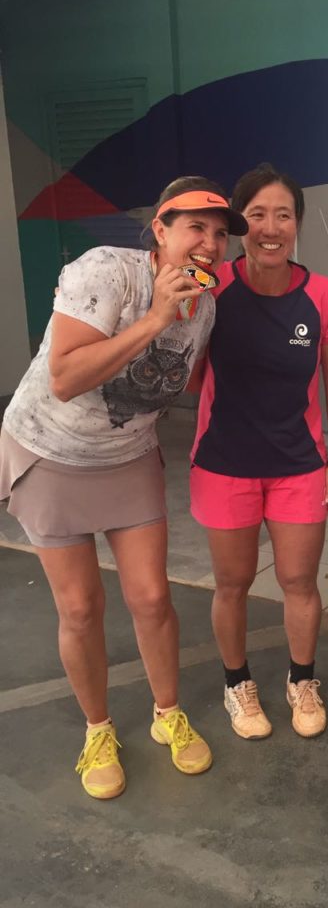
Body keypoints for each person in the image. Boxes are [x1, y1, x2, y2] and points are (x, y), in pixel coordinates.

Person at [0, 176, 248, 800]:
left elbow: (190, 381)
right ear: (160, 231)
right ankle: (98, 730)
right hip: (50, 452)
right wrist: (158, 318)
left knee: (152, 598)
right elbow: (64, 378)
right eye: (196, 228)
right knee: (81, 608)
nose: (210, 243)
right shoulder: (106, 272)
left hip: (126, 455)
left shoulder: (205, 305)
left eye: (220, 234)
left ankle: (168, 714)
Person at [189, 163, 328, 741]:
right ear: (239, 225)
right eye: (257, 214)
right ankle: (237, 684)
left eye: (283, 214)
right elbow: (185, 368)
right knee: (231, 583)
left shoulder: (323, 295)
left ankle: (302, 680)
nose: (271, 227)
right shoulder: (212, 287)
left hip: (298, 466)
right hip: (224, 464)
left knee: (299, 581)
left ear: (297, 223)